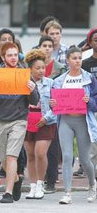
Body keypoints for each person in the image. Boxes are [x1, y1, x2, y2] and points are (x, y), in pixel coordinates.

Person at [0, 42, 39, 203]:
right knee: (3, 159)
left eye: (15, 55)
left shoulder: (24, 73)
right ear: (3, 57)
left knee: (11, 156)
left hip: (19, 120)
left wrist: (32, 89)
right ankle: (15, 179)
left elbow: (35, 100)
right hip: (1, 121)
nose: (13, 58)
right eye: (10, 55)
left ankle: (7, 193)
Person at [51, 46, 97, 204]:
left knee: (85, 159)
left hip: (83, 121)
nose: (78, 61)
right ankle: (67, 193)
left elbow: (96, 101)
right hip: (65, 120)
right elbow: (54, 103)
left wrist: (89, 101)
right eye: (74, 58)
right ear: (68, 60)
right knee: (67, 156)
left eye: (79, 58)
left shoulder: (89, 78)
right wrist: (52, 104)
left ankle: (92, 184)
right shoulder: (59, 80)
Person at [24, 49, 57, 199]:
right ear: (30, 69)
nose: (41, 71)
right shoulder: (24, 83)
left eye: (43, 67)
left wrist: (47, 118)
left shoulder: (51, 83)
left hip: (46, 121)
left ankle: (40, 184)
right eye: (37, 68)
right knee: (30, 155)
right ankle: (32, 186)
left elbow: (57, 105)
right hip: (27, 120)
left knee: (40, 153)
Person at [39, 35, 66, 193]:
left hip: (54, 111)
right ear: (40, 47)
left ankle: (51, 181)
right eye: (44, 45)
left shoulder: (59, 67)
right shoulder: (34, 65)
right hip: (37, 111)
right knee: (38, 150)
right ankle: (39, 180)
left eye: (50, 45)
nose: (47, 48)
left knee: (53, 148)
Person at [81, 27, 97, 180]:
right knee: (93, 148)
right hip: (92, 109)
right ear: (90, 43)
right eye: (96, 40)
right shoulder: (85, 64)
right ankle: (94, 181)